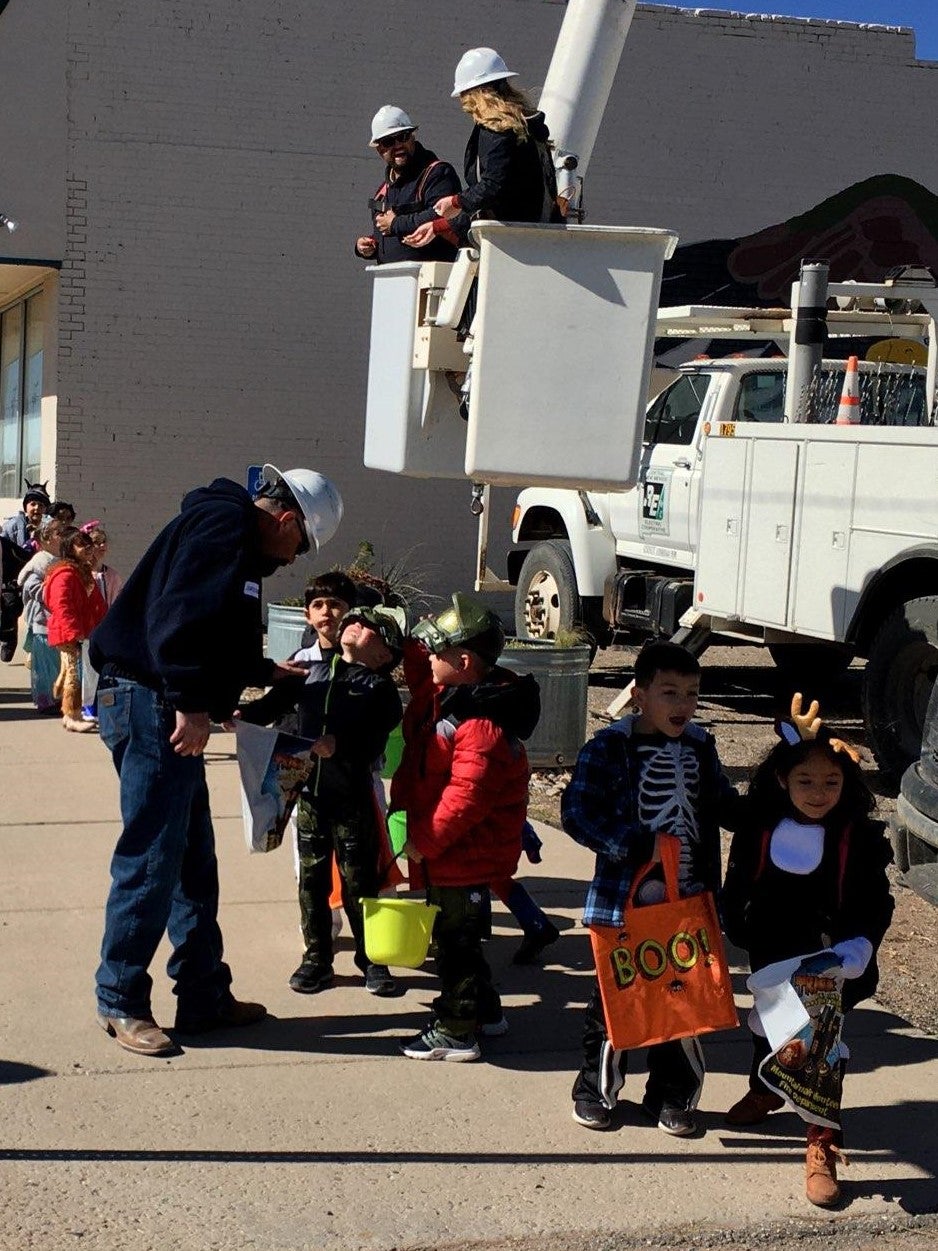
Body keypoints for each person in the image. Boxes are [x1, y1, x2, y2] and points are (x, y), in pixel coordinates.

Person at [89, 464, 342, 1057]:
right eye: (298, 545)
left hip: (156, 698)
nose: (292, 559)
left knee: (190, 860)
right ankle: (120, 998)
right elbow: (179, 617)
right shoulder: (223, 525)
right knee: (152, 856)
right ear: (285, 520)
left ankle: (203, 993)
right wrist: (191, 702)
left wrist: (262, 673)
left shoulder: (232, 538)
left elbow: (214, 629)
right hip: (152, 701)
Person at [561, 641, 738, 1136]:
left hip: (686, 902)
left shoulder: (701, 746)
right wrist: (631, 844)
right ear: (638, 694)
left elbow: (721, 802)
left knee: (685, 1005)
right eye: (668, 692)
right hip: (623, 902)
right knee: (615, 1004)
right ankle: (595, 1090)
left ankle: (672, 1095)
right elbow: (576, 813)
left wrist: (775, 792)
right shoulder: (606, 747)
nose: (681, 705)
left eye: (691, 694)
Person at [721, 709, 894, 1207]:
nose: (819, 792)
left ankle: (820, 1142)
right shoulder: (761, 827)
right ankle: (766, 1088)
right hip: (771, 947)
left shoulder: (854, 837)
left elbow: (874, 898)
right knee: (768, 1027)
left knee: (819, 1050)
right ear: (782, 779)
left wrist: (859, 944)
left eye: (831, 781)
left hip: (828, 956)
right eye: (806, 780)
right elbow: (736, 869)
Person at [392, 592, 540, 1061]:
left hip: (461, 855)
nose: (428, 658)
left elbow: (466, 799)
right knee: (463, 940)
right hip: (459, 854)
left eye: (437, 651)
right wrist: (411, 633)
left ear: (463, 660)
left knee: (454, 946)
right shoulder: (458, 692)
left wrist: (425, 842)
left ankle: (456, 1029)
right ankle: (487, 1012)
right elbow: (421, 670)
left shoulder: (481, 725)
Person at [237, 604, 405, 996]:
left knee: (360, 879)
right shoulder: (309, 672)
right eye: (357, 622)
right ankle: (317, 956)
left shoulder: (378, 690)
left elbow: (375, 739)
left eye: (369, 629)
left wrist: (340, 744)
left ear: (383, 655)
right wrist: (242, 714)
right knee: (311, 879)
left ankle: (372, 959)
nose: (355, 626)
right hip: (310, 795)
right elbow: (272, 706)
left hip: (352, 797)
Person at [403, 48, 562, 254]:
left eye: (463, 95)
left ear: (474, 95)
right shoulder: (525, 127)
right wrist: (439, 225)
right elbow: (506, 193)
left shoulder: (496, 129)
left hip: (512, 246)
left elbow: (493, 186)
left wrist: (456, 201)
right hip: (538, 237)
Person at [354, 106, 461, 265]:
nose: (397, 145)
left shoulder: (437, 174)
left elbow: (446, 217)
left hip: (432, 283)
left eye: (403, 137)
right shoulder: (382, 192)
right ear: (379, 149)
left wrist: (396, 224)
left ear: (413, 137)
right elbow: (389, 234)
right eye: (388, 141)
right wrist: (370, 245)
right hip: (392, 281)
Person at [43, 527, 107, 733]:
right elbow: (61, 605)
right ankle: (71, 714)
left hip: (82, 632)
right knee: (74, 673)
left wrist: (105, 623)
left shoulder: (83, 572)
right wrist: (73, 631)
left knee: (74, 672)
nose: (88, 549)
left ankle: (72, 709)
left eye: (89, 545)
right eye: (82, 545)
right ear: (70, 548)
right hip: (68, 633)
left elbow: (96, 603)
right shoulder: (64, 574)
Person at [18, 516, 67, 712]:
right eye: (58, 533)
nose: (62, 536)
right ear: (46, 538)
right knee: (45, 666)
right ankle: (45, 700)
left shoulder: (62, 560)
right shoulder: (39, 561)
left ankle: (58, 698)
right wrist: (55, 594)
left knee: (58, 664)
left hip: (59, 621)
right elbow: (31, 587)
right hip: (42, 622)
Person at [1, 481, 50, 662]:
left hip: (40, 580)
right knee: (10, 609)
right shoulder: (13, 526)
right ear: (26, 506)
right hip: (14, 579)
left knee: (37, 617)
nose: (37, 508)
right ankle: (8, 637)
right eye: (33, 504)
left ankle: (34, 651)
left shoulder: (50, 528)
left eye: (41, 505)